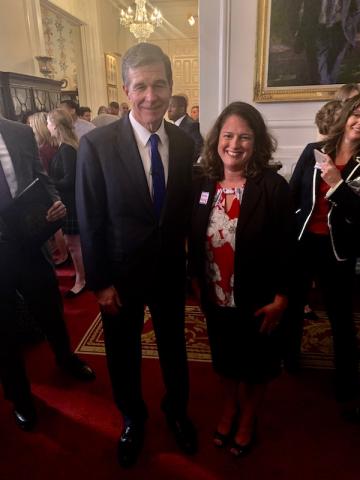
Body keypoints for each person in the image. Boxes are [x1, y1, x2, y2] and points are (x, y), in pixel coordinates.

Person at [76, 42, 197, 467]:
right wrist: (101, 282)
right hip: (120, 277)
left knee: (174, 349)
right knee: (122, 353)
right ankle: (132, 418)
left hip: (168, 272)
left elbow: (184, 212)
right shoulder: (97, 146)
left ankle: (177, 413)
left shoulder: (185, 144)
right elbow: (90, 219)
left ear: (170, 87)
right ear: (127, 90)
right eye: (141, 86)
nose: (151, 96)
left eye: (159, 84)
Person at [189, 102, 295, 457]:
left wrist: (283, 297)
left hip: (258, 300)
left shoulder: (273, 187)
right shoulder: (203, 184)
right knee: (226, 361)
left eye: (244, 137)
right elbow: (193, 236)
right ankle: (229, 406)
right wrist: (197, 281)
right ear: (217, 139)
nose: (235, 144)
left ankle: (248, 417)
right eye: (228, 135)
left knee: (257, 367)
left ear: (257, 142)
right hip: (216, 299)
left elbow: (288, 249)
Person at [0, 117, 95, 431]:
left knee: (50, 309)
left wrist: (54, 203)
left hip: (30, 242)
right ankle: (19, 396)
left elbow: (41, 179)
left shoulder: (19, 131)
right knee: (4, 329)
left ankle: (65, 359)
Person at [288, 94, 360, 421]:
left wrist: (336, 183)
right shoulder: (314, 151)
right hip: (304, 243)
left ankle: (346, 382)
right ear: (346, 117)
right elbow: (292, 195)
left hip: (338, 250)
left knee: (340, 319)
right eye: (356, 114)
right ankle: (288, 362)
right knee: (291, 306)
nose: (359, 121)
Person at [47, 108, 86, 297]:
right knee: (74, 245)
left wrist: (47, 182)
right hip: (70, 202)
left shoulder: (67, 149)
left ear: (55, 125)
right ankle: (82, 275)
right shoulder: (66, 146)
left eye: (48, 122)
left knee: (74, 245)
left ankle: (81, 280)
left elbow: (70, 180)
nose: (47, 126)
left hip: (71, 203)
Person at [28, 112, 68, 266]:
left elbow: (43, 174)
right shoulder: (54, 144)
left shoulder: (42, 148)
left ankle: (63, 255)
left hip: (50, 190)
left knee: (55, 226)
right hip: (59, 188)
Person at [294, 0, 360, 84]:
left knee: (333, 71)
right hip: (317, 29)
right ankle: (322, 92)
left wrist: (348, 26)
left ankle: (329, 94)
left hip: (340, 31)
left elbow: (356, 9)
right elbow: (305, 8)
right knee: (319, 76)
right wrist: (300, 32)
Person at [168, 95, 204, 161]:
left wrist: (183, 163)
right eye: (168, 106)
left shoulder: (191, 125)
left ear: (182, 108)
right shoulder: (172, 126)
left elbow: (198, 147)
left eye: (172, 106)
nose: (169, 110)